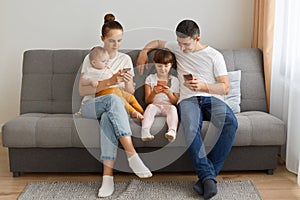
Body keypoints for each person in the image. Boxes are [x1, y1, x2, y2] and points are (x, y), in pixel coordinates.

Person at [136, 19, 238, 200]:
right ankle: (208, 177)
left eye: (186, 45)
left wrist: (204, 86)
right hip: (188, 99)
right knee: (190, 128)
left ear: (197, 39)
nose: (181, 49)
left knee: (231, 122)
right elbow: (158, 43)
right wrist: (144, 52)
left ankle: (207, 176)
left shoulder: (214, 56)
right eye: (179, 43)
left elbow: (225, 88)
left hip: (211, 98)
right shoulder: (177, 46)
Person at [79, 13, 152, 198]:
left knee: (108, 116)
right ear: (102, 39)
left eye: (119, 40)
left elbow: (130, 93)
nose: (116, 45)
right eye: (112, 41)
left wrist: (128, 83)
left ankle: (107, 178)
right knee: (112, 99)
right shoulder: (92, 57)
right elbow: (82, 91)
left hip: (113, 109)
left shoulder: (125, 60)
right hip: (90, 106)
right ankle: (132, 154)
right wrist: (110, 81)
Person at [81, 46, 144, 119]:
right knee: (119, 100)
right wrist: (91, 81)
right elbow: (83, 81)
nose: (106, 63)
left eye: (107, 61)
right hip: (106, 92)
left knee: (131, 97)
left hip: (117, 89)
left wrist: (120, 75)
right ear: (94, 62)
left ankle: (142, 112)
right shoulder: (91, 71)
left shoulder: (107, 69)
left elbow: (114, 76)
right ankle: (133, 112)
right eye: (103, 61)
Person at [141, 48, 179, 142]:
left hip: (169, 106)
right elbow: (147, 101)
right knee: (150, 107)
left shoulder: (174, 80)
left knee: (173, 109)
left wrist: (169, 93)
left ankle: (172, 131)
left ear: (171, 65)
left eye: (166, 66)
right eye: (159, 66)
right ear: (154, 63)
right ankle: (145, 131)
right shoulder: (150, 79)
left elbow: (175, 102)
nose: (163, 69)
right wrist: (154, 93)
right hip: (155, 105)